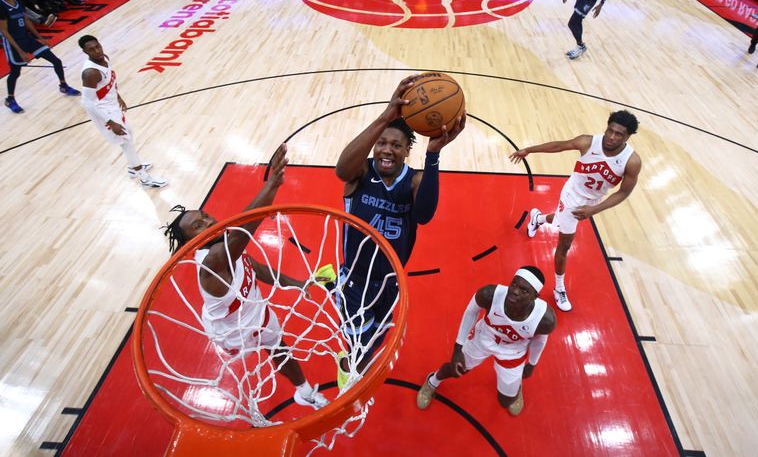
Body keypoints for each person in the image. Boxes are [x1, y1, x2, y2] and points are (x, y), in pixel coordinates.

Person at [162, 144, 329, 411]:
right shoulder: (212, 262)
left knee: (279, 348)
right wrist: (272, 184)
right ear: (191, 243)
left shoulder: (227, 244)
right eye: (198, 226)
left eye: (204, 217)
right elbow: (243, 230)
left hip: (254, 310)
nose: (208, 222)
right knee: (257, 361)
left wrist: (298, 284)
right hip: (232, 331)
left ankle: (304, 392)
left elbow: (257, 269)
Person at [333, 75, 465, 382]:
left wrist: (433, 155)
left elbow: (424, 216)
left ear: (407, 151)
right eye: (382, 143)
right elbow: (341, 170)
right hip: (355, 282)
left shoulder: (415, 180)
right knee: (359, 345)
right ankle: (352, 374)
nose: (386, 150)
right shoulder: (361, 172)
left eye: (396, 145)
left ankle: (360, 361)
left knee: (379, 335)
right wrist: (385, 117)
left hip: (391, 281)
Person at [509, 110, 642, 312]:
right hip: (572, 195)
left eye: (618, 134)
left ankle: (538, 218)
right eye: (610, 131)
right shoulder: (588, 143)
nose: (611, 137)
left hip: (593, 200)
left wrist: (594, 209)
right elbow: (558, 146)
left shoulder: (631, 161)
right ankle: (559, 288)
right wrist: (528, 150)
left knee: (561, 221)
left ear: (628, 137)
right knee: (564, 245)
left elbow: (623, 192)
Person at [416, 266, 557, 416]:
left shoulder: (545, 319)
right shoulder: (490, 294)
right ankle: (432, 381)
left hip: (513, 351)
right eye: (514, 284)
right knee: (456, 368)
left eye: (524, 290)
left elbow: (540, 340)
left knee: (505, 401)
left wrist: (532, 364)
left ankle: (515, 386)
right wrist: (458, 348)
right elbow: (471, 312)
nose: (515, 291)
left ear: (535, 296)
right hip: (484, 338)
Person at [78, 34, 167, 186]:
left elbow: (108, 82)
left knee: (129, 135)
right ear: (85, 52)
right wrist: (110, 122)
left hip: (112, 105)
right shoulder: (91, 73)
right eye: (91, 50)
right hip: (103, 112)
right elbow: (86, 103)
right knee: (126, 141)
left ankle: (134, 167)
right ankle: (143, 177)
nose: (97, 51)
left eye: (98, 46)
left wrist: (118, 96)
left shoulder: (104, 59)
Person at [0, 0, 77, 113]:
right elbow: (4, 31)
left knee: (56, 61)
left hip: (27, 39)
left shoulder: (18, 1)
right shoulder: (1, 6)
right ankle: (10, 99)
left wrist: (39, 38)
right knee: (15, 72)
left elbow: (26, 20)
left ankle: (63, 85)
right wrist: (21, 51)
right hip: (13, 44)